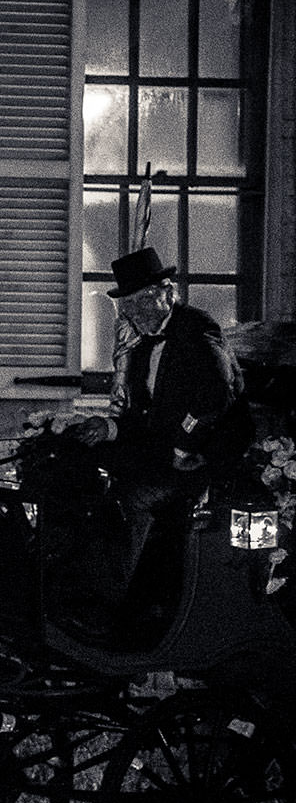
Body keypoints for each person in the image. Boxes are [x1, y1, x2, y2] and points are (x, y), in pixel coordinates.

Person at [61, 246, 253, 641]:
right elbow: (142, 417)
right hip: (162, 452)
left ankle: (120, 611)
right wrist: (108, 428)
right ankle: (80, 588)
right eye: (127, 305)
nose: (131, 314)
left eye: (140, 303)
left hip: (201, 462)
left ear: (165, 293)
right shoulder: (145, 344)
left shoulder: (196, 331)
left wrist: (185, 445)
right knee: (77, 468)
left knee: (132, 497)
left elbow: (216, 397)